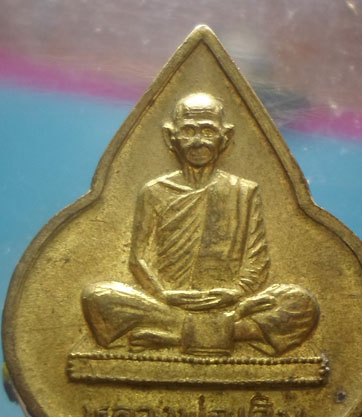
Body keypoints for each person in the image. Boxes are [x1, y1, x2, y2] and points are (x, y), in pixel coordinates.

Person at [82, 93, 319, 356]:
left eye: (208, 131)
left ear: (225, 137)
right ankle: (215, 334)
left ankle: (177, 336)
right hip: (168, 304)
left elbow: (258, 261)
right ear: (171, 137)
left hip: (230, 306)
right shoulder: (154, 191)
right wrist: (164, 295)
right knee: (98, 297)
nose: (198, 141)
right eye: (188, 131)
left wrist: (234, 294)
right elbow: (138, 259)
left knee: (300, 303)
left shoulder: (244, 191)